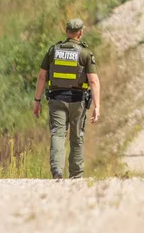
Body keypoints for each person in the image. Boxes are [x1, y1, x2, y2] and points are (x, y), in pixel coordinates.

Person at [33, 18, 101, 179]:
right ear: (80, 32)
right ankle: (76, 175)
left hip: (56, 100)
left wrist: (37, 100)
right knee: (77, 137)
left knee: (58, 134)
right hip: (78, 101)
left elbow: (42, 77)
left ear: (66, 31)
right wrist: (97, 105)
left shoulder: (53, 51)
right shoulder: (85, 53)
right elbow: (93, 80)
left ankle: (57, 171)